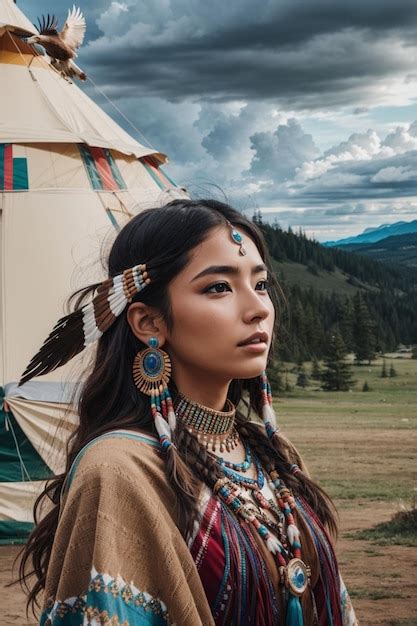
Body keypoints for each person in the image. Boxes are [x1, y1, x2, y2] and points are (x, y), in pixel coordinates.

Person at [18, 199, 357, 625]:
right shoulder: (120, 470)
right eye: (219, 287)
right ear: (149, 323)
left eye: (261, 284)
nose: (258, 309)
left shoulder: (274, 455)